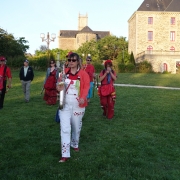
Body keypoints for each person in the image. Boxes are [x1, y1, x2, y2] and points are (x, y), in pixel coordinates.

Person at [56, 53, 90, 162]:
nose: (71, 62)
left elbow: (86, 87)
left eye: (73, 60)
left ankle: (75, 143)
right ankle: (65, 154)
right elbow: (59, 86)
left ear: (78, 61)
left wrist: (83, 97)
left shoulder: (83, 74)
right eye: (69, 60)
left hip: (77, 105)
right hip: (65, 104)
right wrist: (58, 88)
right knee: (65, 129)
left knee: (76, 126)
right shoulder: (64, 73)